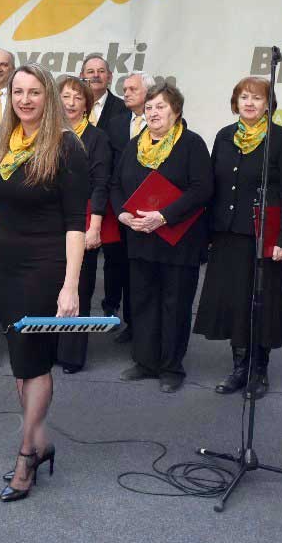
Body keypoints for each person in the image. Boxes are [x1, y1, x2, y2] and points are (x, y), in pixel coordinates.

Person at [0, 64, 88, 502]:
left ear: (48, 96)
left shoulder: (66, 147)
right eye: (18, 92)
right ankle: (40, 443)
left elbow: (76, 224)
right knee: (21, 362)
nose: (24, 100)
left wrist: (70, 285)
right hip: (5, 265)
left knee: (35, 361)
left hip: (44, 267)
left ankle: (26, 456)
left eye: (34, 92)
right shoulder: (8, 141)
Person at [193, 77, 282, 399]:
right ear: (235, 103)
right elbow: (213, 186)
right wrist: (207, 231)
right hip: (227, 234)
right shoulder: (224, 136)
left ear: (268, 104)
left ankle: (259, 369)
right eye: (244, 97)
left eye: (256, 98)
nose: (249, 103)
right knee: (233, 303)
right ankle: (239, 366)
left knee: (260, 303)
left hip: (262, 235)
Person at [111, 81, 212, 393]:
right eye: (149, 107)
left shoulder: (191, 144)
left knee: (175, 304)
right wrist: (122, 214)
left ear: (176, 111)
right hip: (140, 238)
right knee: (143, 302)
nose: (153, 112)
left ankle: (171, 367)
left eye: (160, 107)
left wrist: (164, 215)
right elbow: (116, 185)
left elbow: (202, 189)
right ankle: (145, 362)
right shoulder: (134, 146)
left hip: (178, 240)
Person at [53, 74, 112, 374]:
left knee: (79, 286)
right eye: (65, 96)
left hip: (83, 221)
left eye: (78, 97)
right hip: (50, 223)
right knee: (51, 285)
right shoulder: (48, 134)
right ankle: (50, 346)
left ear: (87, 104)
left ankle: (72, 355)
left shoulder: (97, 138)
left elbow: (101, 184)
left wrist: (95, 226)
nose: (71, 102)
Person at [100, 72, 155, 341]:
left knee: (141, 271)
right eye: (124, 89)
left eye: (133, 89)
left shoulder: (162, 123)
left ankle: (138, 325)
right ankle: (115, 313)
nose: (126, 93)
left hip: (149, 208)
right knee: (117, 263)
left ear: (149, 93)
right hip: (119, 207)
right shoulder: (116, 123)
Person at [81, 53, 125, 128]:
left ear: (109, 77)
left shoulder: (124, 108)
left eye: (101, 71)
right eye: (91, 71)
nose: (96, 75)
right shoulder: (71, 106)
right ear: (82, 77)